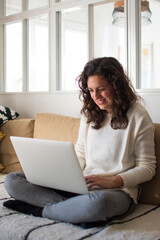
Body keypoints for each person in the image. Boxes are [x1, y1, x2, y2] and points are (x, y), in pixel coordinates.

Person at [3, 57, 156, 227]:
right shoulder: (90, 114)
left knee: (98, 204)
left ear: (117, 86)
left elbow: (147, 167)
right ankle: (69, 209)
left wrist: (113, 180)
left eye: (101, 89)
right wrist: (64, 177)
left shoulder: (138, 116)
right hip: (82, 187)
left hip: (116, 192)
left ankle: (40, 210)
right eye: (90, 90)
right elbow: (81, 154)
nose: (95, 96)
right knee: (13, 180)